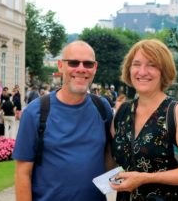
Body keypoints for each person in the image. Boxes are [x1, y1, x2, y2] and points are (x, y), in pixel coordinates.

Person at [13, 40, 113, 201]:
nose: (81, 69)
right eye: (73, 63)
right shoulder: (35, 112)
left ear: (95, 68)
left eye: (87, 64)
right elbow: (22, 173)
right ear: (60, 66)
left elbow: (109, 155)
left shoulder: (103, 108)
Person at [111, 39, 178, 201]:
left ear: (164, 71)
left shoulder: (177, 112)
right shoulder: (122, 112)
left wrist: (146, 178)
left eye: (152, 65)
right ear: (129, 70)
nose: (142, 72)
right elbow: (113, 161)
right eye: (136, 64)